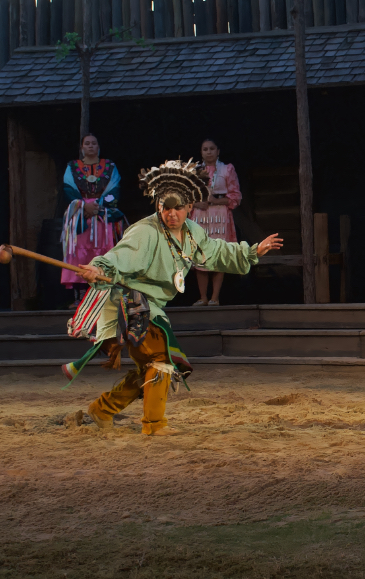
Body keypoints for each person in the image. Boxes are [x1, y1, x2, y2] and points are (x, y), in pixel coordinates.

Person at [64, 160, 283, 436]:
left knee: (152, 365)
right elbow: (121, 254)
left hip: (151, 306)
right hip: (129, 302)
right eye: (165, 208)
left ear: (189, 206)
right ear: (158, 207)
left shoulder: (193, 233)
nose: (171, 214)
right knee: (161, 360)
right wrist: (101, 268)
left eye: (177, 208)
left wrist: (252, 252)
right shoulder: (146, 231)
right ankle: (154, 425)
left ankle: (103, 409)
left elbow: (216, 252)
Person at [60, 134, 127, 307]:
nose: (90, 146)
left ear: (98, 147)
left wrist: (98, 205)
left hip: (102, 213)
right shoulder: (72, 166)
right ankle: (80, 296)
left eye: (94, 143)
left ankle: (102, 292)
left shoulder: (109, 166)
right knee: (78, 252)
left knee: (103, 252)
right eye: (87, 143)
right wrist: (84, 206)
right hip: (79, 214)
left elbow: (115, 187)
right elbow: (68, 187)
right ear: (82, 147)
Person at [189, 138, 243, 306]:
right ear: (201, 152)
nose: (209, 152)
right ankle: (203, 297)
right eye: (205, 149)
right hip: (199, 214)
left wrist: (214, 201)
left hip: (219, 214)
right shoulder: (193, 171)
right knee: (201, 256)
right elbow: (185, 196)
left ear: (218, 151)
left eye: (212, 148)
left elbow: (235, 196)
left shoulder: (227, 169)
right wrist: (197, 203)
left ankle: (215, 297)